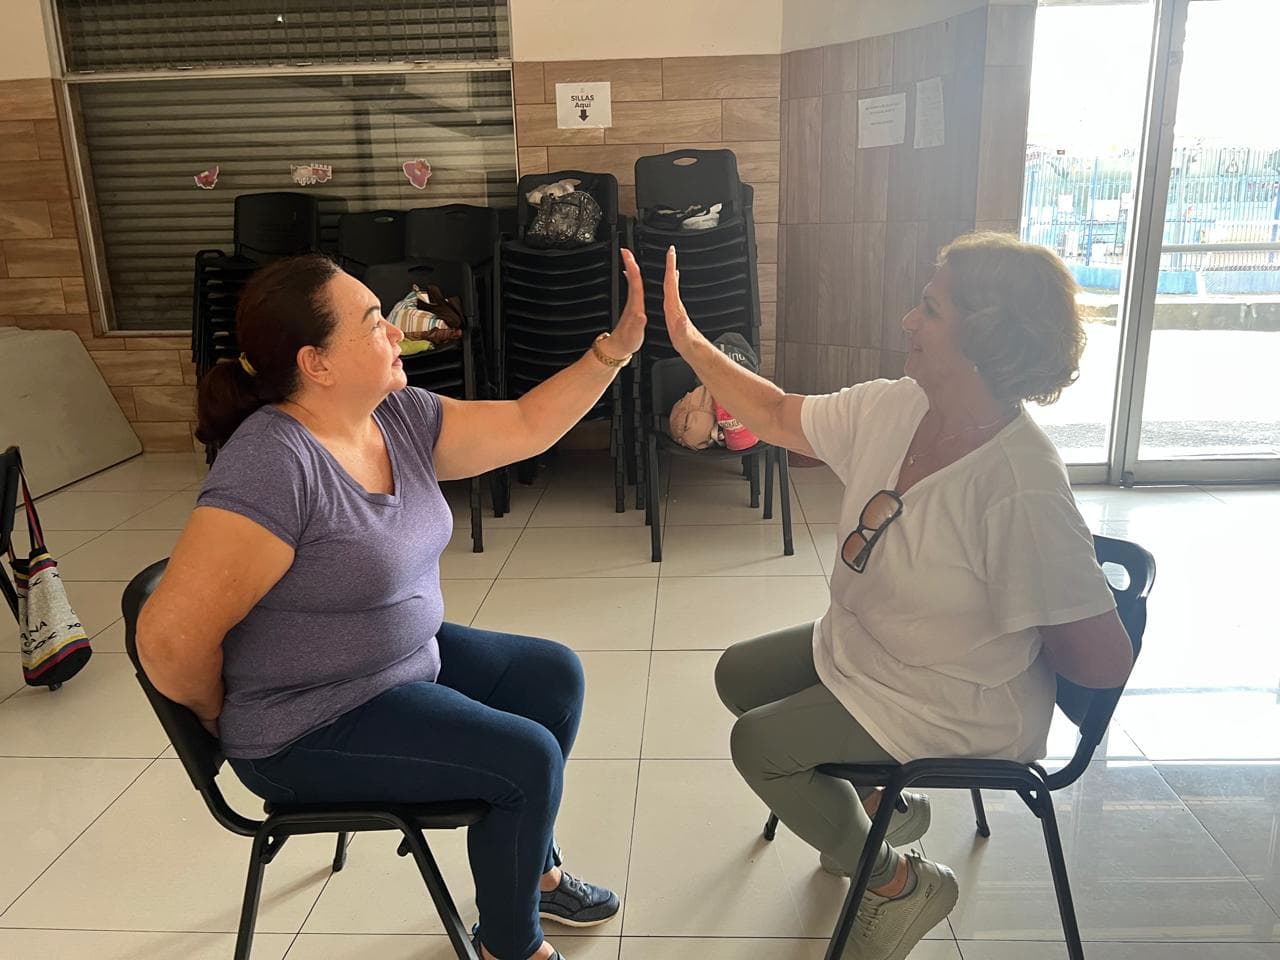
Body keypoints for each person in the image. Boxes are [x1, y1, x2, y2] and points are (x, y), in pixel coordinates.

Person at [136, 251, 651, 960]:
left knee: (553, 677)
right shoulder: (274, 464)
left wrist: (612, 353)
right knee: (525, 761)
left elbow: (528, 422)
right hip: (307, 721)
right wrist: (219, 718)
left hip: (402, 663)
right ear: (316, 363)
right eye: (375, 319)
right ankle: (510, 946)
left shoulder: (397, 416)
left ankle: (529, 870)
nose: (397, 328)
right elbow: (167, 638)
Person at [659, 233, 1132, 960]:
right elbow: (782, 415)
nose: (908, 322)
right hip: (877, 654)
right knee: (737, 676)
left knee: (761, 745)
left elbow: (1101, 662)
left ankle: (897, 880)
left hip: (953, 699)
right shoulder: (899, 405)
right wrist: (690, 344)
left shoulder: (1021, 484)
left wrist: (1032, 606)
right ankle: (878, 807)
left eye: (930, 309)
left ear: (986, 336)